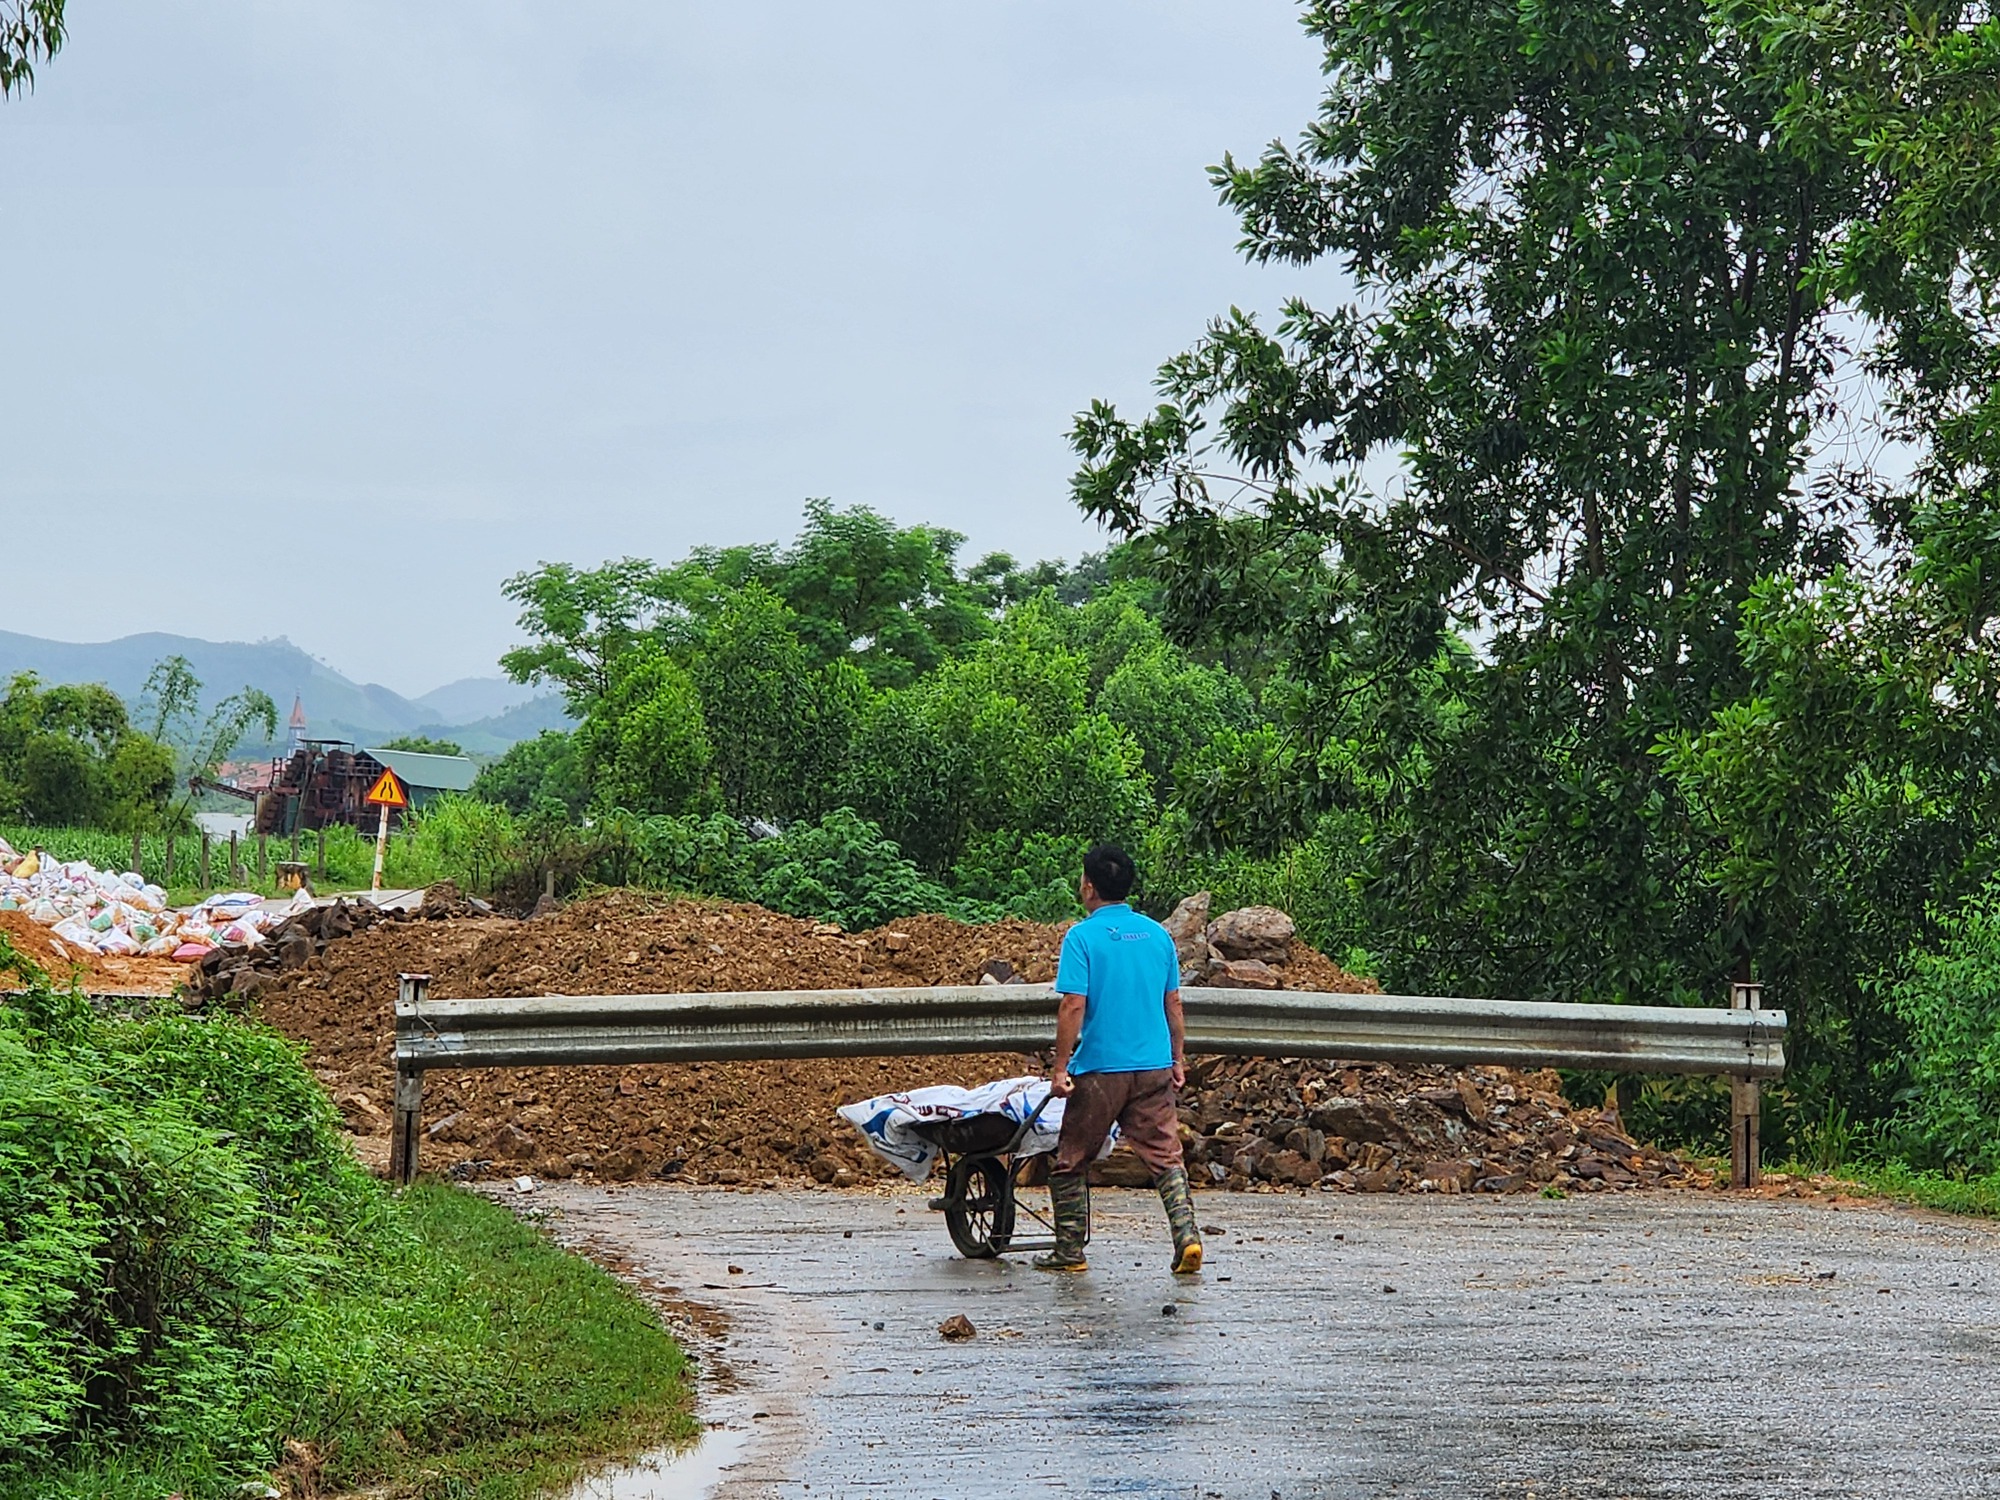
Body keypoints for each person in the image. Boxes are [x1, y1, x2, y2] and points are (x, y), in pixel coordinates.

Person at [1034, 843, 1202, 1275]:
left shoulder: (1083, 937)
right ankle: (1187, 1238)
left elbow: (1073, 1005)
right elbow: (1175, 1004)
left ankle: (1069, 1252)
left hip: (1101, 1070)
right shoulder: (1158, 936)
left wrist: (1059, 1068)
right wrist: (1177, 1058)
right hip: (1152, 1066)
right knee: (1166, 1157)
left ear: (1088, 886)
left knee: (1072, 1159)